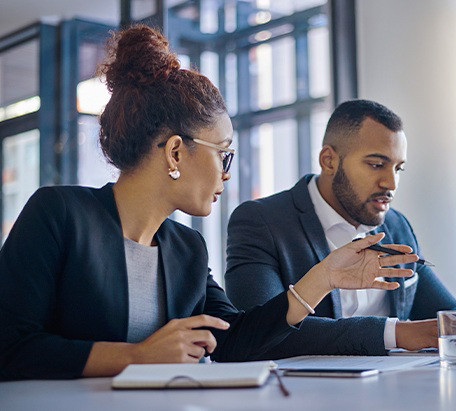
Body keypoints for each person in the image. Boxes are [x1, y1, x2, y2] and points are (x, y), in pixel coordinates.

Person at [0, 27, 418, 381]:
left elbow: (235, 339)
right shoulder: (58, 214)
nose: (227, 172)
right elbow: (11, 347)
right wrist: (138, 358)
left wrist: (323, 278)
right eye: (223, 153)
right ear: (176, 153)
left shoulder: (186, 248)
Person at [225, 100, 456, 358]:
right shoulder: (261, 222)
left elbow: (451, 317)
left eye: (398, 168)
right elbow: (258, 333)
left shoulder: (397, 226)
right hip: (305, 394)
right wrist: (397, 334)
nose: (391, 183)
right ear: (329, 161)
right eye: (376, 164)